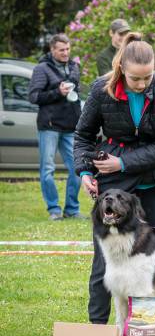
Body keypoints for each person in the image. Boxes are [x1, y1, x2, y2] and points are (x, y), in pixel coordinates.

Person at [74, 32, 155, 324]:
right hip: (114, 185)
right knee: (104, 261)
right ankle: (97, 329)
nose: (144, 84)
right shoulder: (99, 90)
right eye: (136, 79)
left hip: (154, 180)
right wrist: (84, 171)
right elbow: (83, 135)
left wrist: (122, 163)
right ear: (121, 69)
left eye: (148, 77)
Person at [29, 33, 84, 220]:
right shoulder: (42, 69)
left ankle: (72, 209)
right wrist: (57, 92)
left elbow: (78, 93)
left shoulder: (75, 67)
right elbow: (34, 97)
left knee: (77, 168)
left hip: (71, 126)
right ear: (52, 50)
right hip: (49, 126)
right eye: (61, 50)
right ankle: (54, 209)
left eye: (68, 49)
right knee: (48, 170)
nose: (66, 53)